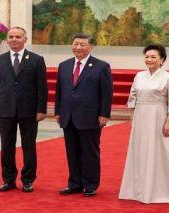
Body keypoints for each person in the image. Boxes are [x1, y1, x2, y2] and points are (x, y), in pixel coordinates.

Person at [119, 44, 169, 204]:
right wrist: (132, 120)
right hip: (140, 117)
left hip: (159, 116)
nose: (149, 59)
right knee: (140, 151)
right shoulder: (139, 76)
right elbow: (133, 98)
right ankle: (137, 190)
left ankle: (162, 190)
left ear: (162, 59)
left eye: (153, 57)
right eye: (147, 57)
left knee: (160, 150)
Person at [0, 27, 48, 193]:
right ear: (7, 40)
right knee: (6, 146)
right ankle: (8, 180)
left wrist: (41, 109)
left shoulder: (36, 60)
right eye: (11, 37)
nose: (14, 39)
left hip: (29, 111)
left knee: (29, 146)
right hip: (5, 110)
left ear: (25, 39)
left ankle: (28, 180)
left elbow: (42, 87)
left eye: (18, 37)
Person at [54, 33, 113, 197]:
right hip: (68, 116)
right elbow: (59, 90)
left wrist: (104, 113)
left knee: (89, 152)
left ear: (90, 47)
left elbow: (106, 93)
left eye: (82, 44)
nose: (78, 47)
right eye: (75, 44)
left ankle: (90, 184)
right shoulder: (64, 65)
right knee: (71, 152)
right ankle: (74, 183)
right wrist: (58, 111)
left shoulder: (101, 66)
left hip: (90, 116)